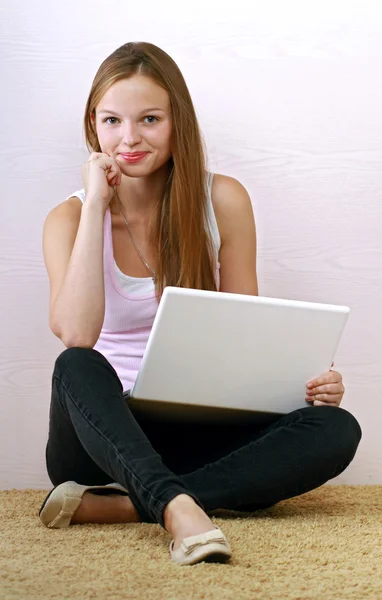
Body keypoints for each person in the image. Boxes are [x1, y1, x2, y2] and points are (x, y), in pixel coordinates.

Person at [39, 41, 362, 566]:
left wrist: (308, 383)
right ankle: (181, 504)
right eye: (112, 120)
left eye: (149, 119)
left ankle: (140, 505)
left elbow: (245, 335)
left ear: (177, 122)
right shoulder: (70, 219)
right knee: (76, 364)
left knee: (336, 428)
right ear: (92, 125)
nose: (129, 138)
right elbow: (76, 334)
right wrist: (97, 201)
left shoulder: (223, 201)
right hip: (106, 439)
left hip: (197, 428)